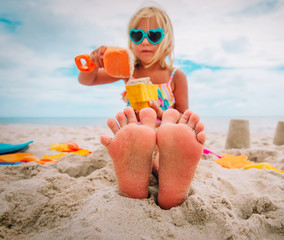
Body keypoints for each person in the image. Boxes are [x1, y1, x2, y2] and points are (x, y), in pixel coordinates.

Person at [78, 6, 205, 209]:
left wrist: (163, 114)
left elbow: (183, 116)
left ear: (167, 40)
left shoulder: (175, 76)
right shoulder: (127, 70)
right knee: (142, 142)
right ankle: (143, 167)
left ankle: (163, 170)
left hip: (166, 134)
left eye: (154, 35)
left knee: (164, 146)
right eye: (137, 35)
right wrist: (92, 64)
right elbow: (88, 80)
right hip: (138, 135)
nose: (145, 41)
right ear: (131, 39)